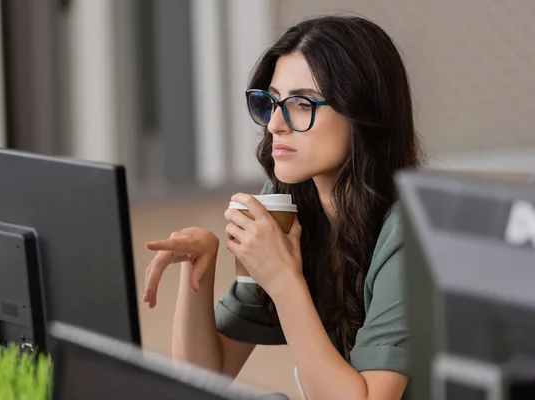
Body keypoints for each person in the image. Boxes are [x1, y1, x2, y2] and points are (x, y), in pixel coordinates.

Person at [142, 15, 422, 400]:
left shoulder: (410, 235)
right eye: (271, 102)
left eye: (301, 104)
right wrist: (198, 272)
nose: (274, 124)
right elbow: (201, 377)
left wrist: (282, 278)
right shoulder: (288, 207)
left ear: (363, 115)